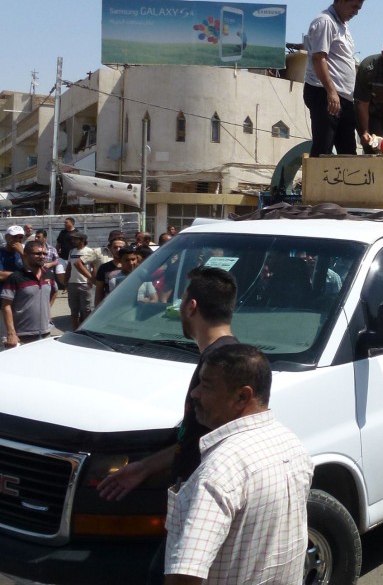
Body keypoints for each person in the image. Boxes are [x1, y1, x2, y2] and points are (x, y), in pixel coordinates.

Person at [98, 267, 238, 585]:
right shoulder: (222, 358)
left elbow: (218, 448)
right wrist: (145, 467)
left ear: (191, 307)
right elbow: (198, 437)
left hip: (199, 507)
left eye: (182, 300)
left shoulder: (220, 366)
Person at [163, 344, 313, 585]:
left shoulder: (219, 471)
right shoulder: (291, 445)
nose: (195, 393)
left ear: (242, 396)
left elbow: (186, 574)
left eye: (207, 385)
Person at [303, 0, 368, 157]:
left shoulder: (343, 25)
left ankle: (346, 185)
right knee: (323, 150)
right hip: (324, 94)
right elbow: (319, 58)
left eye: (359, 9)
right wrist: (331, 92)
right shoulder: (325, 22)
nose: (355, 12)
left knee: (348, 153)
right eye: (353, 6)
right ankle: (317, 185)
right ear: (341, 0)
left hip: (344, 98)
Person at [1, 239, 57, 347]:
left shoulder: (48, 275)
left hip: (45, 333)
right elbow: (6, 305)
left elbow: (54, 292)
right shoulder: (16, 277)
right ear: (26, 255)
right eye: (37, 253)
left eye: (44, 253)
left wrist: (47, 310)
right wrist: (11, 333)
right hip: (22, 335)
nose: (42, 256)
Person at [65, 231, 97, 330]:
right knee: (74, 310)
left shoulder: (90, 251)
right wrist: (66, 282)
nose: (73, 241)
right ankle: (75, 330)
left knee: (87, 309)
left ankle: (88, 330)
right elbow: (69, 267)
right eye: (72, 239)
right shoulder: (72, 251)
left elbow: (94, 267)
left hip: (85, 284)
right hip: (72, 284)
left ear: (82, 240)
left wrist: (92, 280)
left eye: (75, 239)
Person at [93, 237, 126, 306]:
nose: (118, 250)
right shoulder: (104, 267)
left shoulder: (132, 266)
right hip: (109, 305)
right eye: (115, 247)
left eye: (121, 247)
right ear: (110, 249)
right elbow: (99, 290)